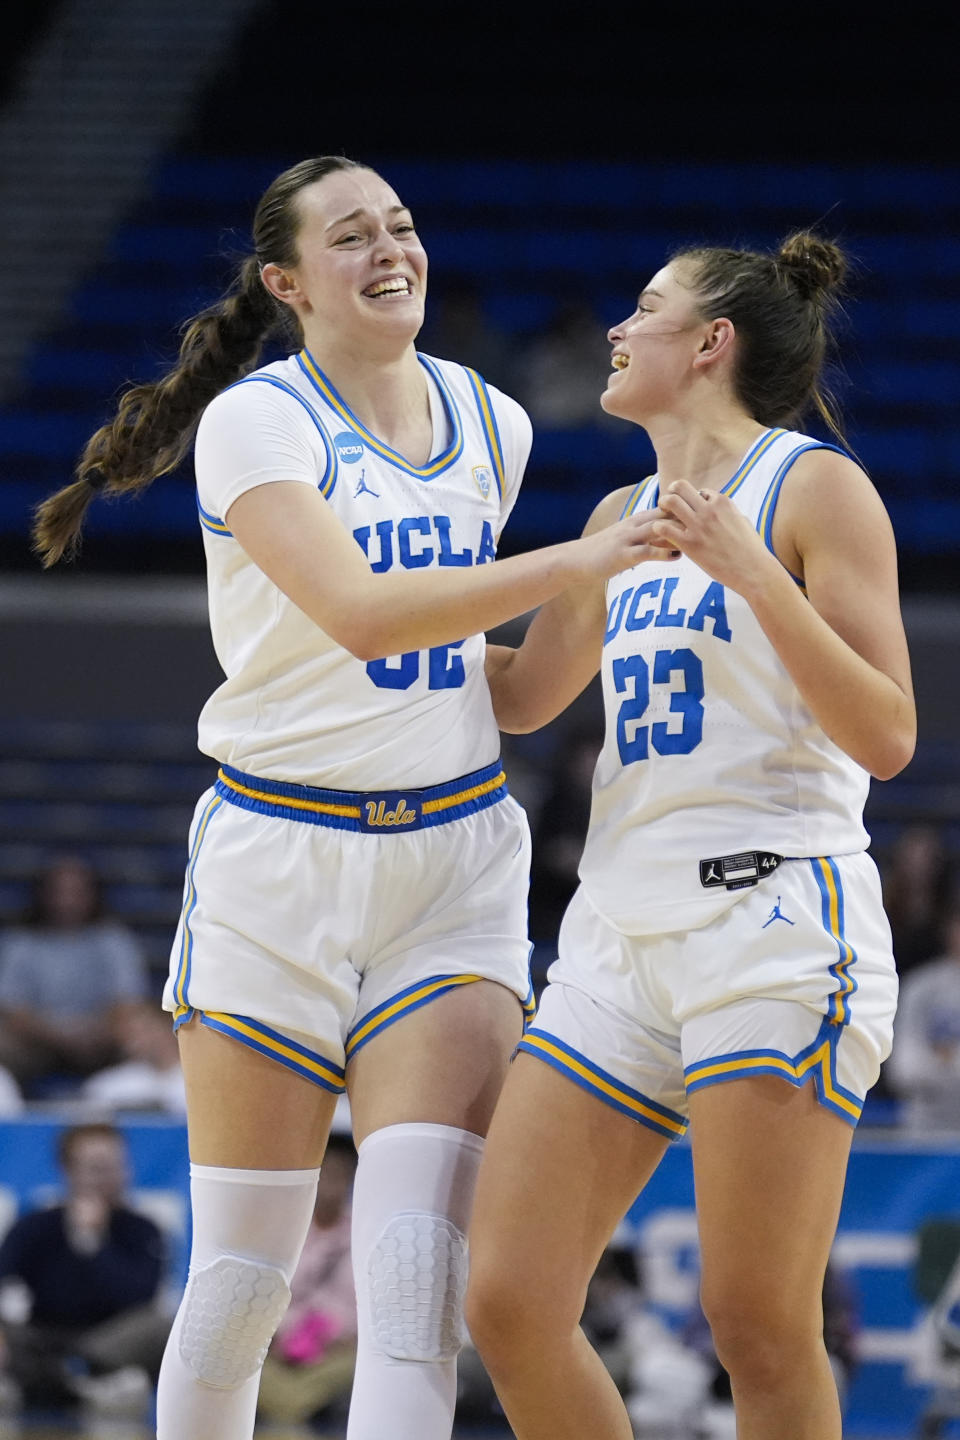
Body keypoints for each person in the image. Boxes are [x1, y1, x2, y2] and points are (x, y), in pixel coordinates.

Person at [32, 154, 658, 1440]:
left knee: (417, 1283)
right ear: (285, 281)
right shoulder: (260, 421)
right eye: (354, 235)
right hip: (280, 864)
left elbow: (511, 691)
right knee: (239, 1290)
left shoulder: (495, 420)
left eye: (405, 226)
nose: (392, 250)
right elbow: (368, 620)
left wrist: (623, 565)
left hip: (449, 870)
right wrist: (581, 554)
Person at [464, 232, 916, 1440]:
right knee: (507, 1300)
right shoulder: (617, 513)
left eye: (645, 308)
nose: (616, 329)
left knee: (757, 1320)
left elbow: (888, 733)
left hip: (771, 920)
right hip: (618, 932)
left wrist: (752, 573)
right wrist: (375, 622)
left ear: (710, 344)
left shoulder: (810, 485)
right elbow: (521, 697)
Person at [0, 1123, 168, 1414]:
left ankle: (85, 1382)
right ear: (69, 1170)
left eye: (118, 1165)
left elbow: (140, 1296)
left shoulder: (142, 1229)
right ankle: (62, 1384)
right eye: (97, 1168)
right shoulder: (37, 1226)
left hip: (108, 1343)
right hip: (44, 1336)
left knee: (163, 1325)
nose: (110, 1177)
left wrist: (94, 1245)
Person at [0, 856, 148, 1089]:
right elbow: (13, 1010)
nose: (67, 901)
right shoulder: (21, 943)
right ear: (43, 894)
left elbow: (127, 1003)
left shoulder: (113, 940)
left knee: (145, 1033)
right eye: (59, 891)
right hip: (35, 1042)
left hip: (100, 1041)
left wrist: (91, 1033)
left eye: (76, 892)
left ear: (92, 894)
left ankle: (145, 1104)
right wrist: (60, 1035)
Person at [257, 1130, 357, 1426]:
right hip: (276, 1352)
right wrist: (281, 1335)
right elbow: (263, 1295)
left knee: (363, 1368)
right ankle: (298, 1406)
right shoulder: (282, 1232)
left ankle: (289, 1407)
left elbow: (365, 1310)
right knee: (233, 1361)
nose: (330, 1183)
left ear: (351, 1180)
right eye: (325, 1173)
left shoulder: (364, 1234)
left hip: (336, 1356)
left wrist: (328, 1337)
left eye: (339, 1174)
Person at [886, 901, 960, 1130]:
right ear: (950, 930)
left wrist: (948, 1058)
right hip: (926, 1128)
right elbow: (904, 1069)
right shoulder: (921, 986)